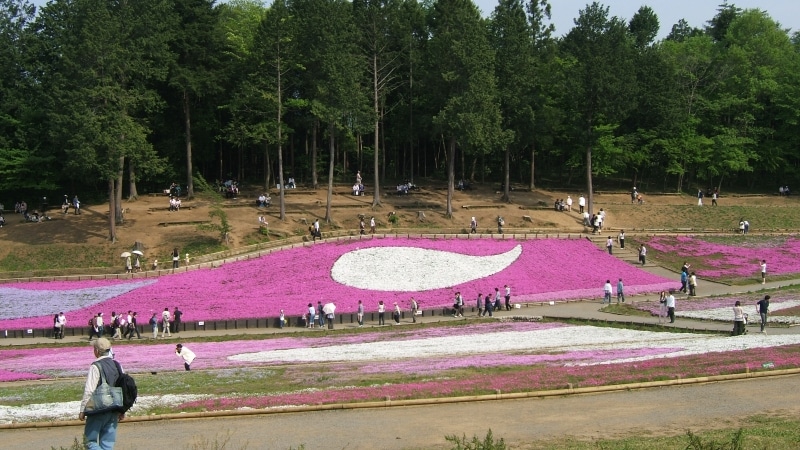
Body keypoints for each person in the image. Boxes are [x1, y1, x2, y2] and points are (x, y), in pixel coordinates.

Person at [79, 338, 125, 450]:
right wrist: (122, 410)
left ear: (96, 351)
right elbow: (123, 387)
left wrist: (82, 410)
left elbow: (89, 390)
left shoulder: (96, 366)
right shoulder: (117, 365)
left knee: (90, 442)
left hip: (99, 409)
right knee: (107, 444)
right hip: (114, 408)